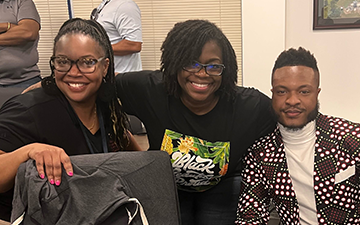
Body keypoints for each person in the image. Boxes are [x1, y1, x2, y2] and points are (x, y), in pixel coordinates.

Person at [116, 19, 276, 225]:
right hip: (167, 186)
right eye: (191, 63)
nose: (202, 74)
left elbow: (292, 116)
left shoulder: (249, 105)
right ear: (174, 62)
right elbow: (97, 84)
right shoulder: (150, 89)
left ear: (225, 69)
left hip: (223, 188)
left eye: (213, 66)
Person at [0, 18, 141, 222]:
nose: (74, 73)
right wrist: (29, 151)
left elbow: (136, 158)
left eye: (87, 62)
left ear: (104, 66)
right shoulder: (28, 109)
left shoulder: (106, 108)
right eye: (63, 62)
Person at [235, 47, 360, 224]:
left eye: (304, 91)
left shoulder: (352, 138)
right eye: (282, 91)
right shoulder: (259, 154)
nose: (292, 100)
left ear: (317, 93)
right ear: (272, 94)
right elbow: (250, 215)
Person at [91, 0, 142, 73]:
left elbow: (134, 45)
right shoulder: (105, 4)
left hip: (122, 77)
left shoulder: (125, 6)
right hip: (107, 74)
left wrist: (97, 49)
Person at [0, 0, 41, 89]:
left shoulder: (22, 2)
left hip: (24, 81)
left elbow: (28, 32)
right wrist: (9, 26)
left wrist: (6, 26)